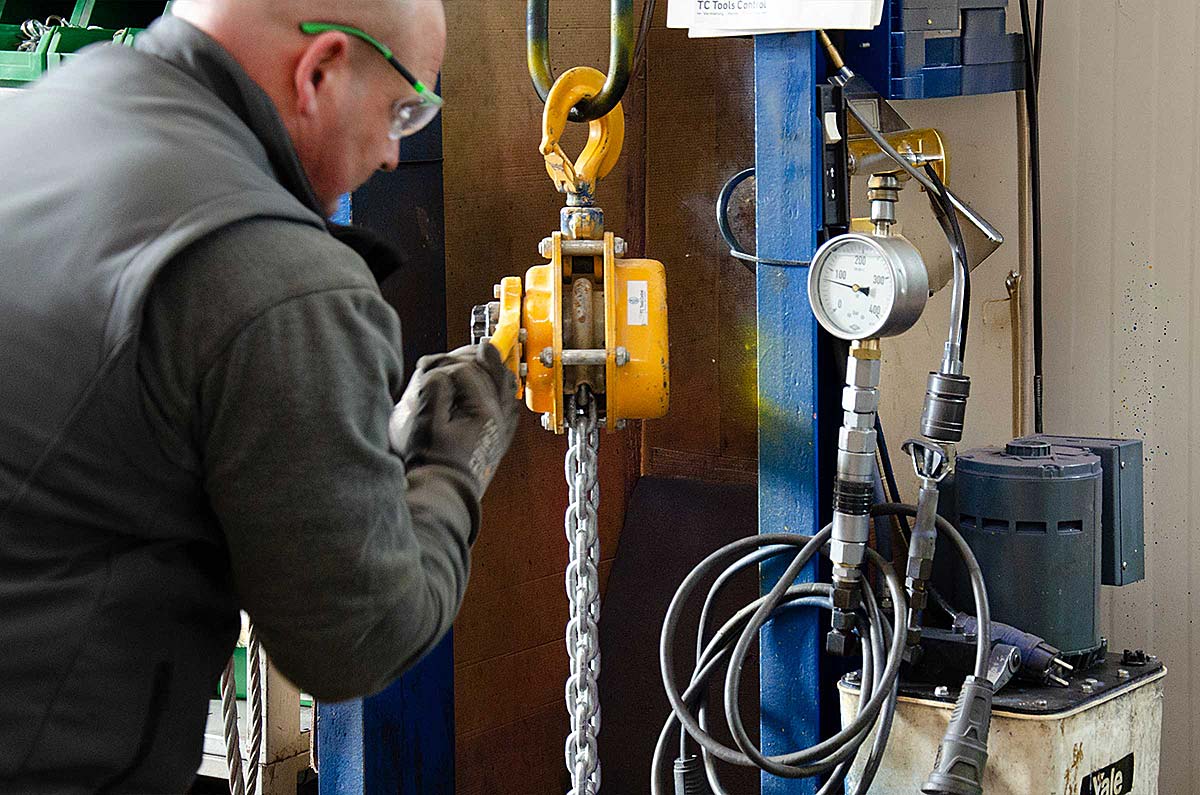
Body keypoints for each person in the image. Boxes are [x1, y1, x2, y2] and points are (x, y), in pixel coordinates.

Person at [0, 0, 518, 790]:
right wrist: (446, 464)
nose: (389, 155)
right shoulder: (275, 275)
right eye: (402, 109)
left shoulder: (48, 117)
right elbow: (357, 635)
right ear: (321, 71)